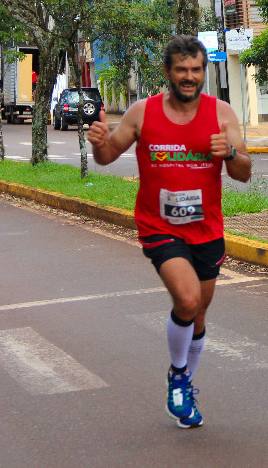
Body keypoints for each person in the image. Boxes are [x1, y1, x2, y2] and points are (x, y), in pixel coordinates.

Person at [86, 35, 252, 429]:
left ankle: (186, 387)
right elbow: (107, 156)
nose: (189, 77)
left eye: (196, 70)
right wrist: (98, 143)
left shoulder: (222, 114)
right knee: (188, 297)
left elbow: (244, 172)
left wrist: (229, 154)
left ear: (203, 71)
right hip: (159, 226)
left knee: (198, 313)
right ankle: (177, 377)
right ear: (168, 72)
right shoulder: (143, 113)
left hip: (206, 228)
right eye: (181, 70)